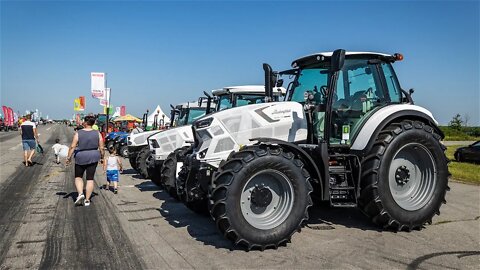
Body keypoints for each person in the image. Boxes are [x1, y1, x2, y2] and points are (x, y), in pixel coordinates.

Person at [66, 116, 104, 206]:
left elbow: (72, 146)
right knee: (90, 178)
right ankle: (87, 200)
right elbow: (101, 147)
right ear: (93, 123)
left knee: (78, 177)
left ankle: (80, 194)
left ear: (86, 123)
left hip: (81, 156)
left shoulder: (78, 133)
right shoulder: (97, 133)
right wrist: (102, 157)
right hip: (94, 156)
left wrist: (68, 157)